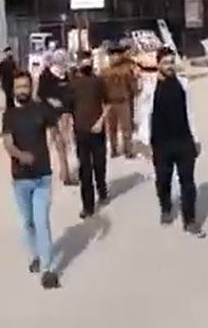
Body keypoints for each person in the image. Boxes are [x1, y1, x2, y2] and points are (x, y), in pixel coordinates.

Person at [1, 71, 62, 289]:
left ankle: (48, 269)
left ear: (31, 87)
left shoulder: (41, 109)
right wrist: (20, 155)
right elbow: (8, 143)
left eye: (25, 86)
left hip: (43, 175)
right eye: (18, 87)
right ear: (13, 90)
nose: (22, 90)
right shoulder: (9, 115)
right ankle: (35, 255)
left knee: (41, 221)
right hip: (20, 179)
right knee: (27, 222)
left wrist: (61, 151)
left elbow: (55, 130)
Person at [136, 49, 204, 237]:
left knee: (188, 182)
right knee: (163, 180)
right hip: (161, 143)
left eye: (172, 62)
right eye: (166, 62)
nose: (170, 66)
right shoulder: (150, 88)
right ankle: (165, 207)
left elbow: (190, 112)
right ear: (158, 64)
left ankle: (190, 220)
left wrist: (195, 138)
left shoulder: (183, 84)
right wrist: (144, 142)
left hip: (184, 140)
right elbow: (143, 114)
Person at [68, 52, 109, 219]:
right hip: (81, 131)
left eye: (88, 60)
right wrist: (69, 129)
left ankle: (102, 188)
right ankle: (88, 206)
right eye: (82, 60)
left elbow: (108, 103)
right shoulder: (73, 85)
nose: (85, 63)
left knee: (99, 163)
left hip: (98, 130)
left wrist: (101, 121)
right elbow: (69, 109)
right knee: (85, 169)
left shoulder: (99, 82)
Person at [37, 51, 75, 185]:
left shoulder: (67, 76)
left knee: (64, 143)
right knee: (57, 143)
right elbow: (41, 94)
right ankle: (62, 173)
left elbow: (71, 93)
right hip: (51, 115)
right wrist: (53, 102)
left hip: (65, 113)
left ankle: (65, 172)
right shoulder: (46, 76)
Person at [101, 44, 139, 158]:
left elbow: (132, 85)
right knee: (112, 128)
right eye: (112, 55)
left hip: (123, 101)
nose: (115, 57)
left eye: (117, 54)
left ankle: (128, 150)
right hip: (110, 102)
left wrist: (133, 93)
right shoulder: (105, 71)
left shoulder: (126, 69)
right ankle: (114, 149)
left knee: (126, 127)